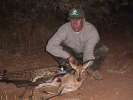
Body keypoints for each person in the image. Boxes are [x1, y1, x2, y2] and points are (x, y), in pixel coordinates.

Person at [46, 8, 108, 80]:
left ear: (83, 20)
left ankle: (92, 69)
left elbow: (88, 51)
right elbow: (49, 47)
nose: (74, 23)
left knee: (103, 49)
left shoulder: (91, 30)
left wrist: (85, 66)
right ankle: (70, 70)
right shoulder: (64, 28)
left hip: (86, 54)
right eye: (72, 20)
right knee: (58, 49)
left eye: (78, 20)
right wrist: (68, 56)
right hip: (72, 54)